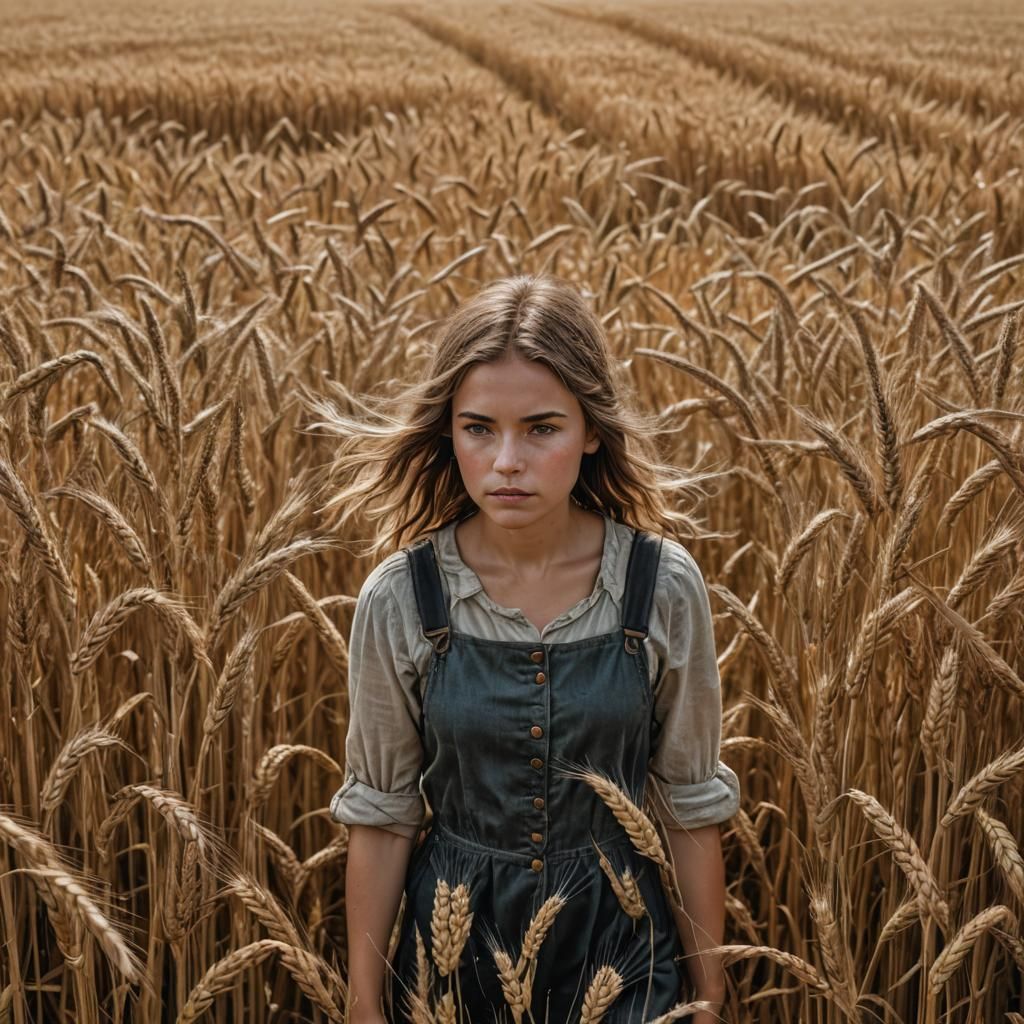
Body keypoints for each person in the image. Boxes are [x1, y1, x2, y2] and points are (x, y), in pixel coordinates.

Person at [309, 273, 740, 1024]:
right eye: (479, 428)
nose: (507, 460)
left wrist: (707, 996)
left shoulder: (659, 586)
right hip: (448, 956)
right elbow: (382, 817)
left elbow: (689, 805)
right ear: (449, 431)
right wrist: (364, 1004)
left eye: (542, 428)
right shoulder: (404, 597)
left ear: (593, 429)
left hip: (623, 950)